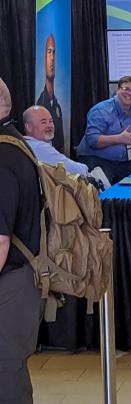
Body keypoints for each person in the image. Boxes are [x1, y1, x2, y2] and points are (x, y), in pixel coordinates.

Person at [0, 77, 43, 404]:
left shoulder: (2, 156)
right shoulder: (15, 142)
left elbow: (0, 241)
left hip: (10, 283)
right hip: (20, 278)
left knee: (6, 373)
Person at [76, 75, 131, 184]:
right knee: (102, 189)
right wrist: (120, 138)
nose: (129, 93)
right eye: (125, 89)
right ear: (117, 90)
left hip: (123, 161)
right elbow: (92, 140)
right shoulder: (101, 110)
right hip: (96, 158)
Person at [23, 106, 89, 176]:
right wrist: (87, 169)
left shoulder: (26, 143)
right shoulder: (39, 147)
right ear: (29, 127)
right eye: (43, 122)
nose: (49, 126)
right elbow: (76, 170)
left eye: (51, 121)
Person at [36, 34, 65, 152]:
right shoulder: (40, 105)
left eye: (54, 53)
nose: (52, 58)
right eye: (49, 52)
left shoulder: (57, 106)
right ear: (44, 60)